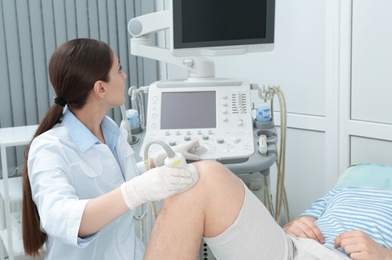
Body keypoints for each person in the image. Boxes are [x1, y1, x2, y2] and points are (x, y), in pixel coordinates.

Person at [21, 38, 201, 259]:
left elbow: (112, 181)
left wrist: (152, 163)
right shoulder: (49, 148)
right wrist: (136, 190)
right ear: (100, 88)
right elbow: (60, 216)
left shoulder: (110, 130)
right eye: (119, 70)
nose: (124, 76)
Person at [142, 163, 392, 260]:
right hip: (292, 249)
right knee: (199, 178)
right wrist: (292, 226)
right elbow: (298, 225)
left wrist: (384, 255)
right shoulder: (345, 190)